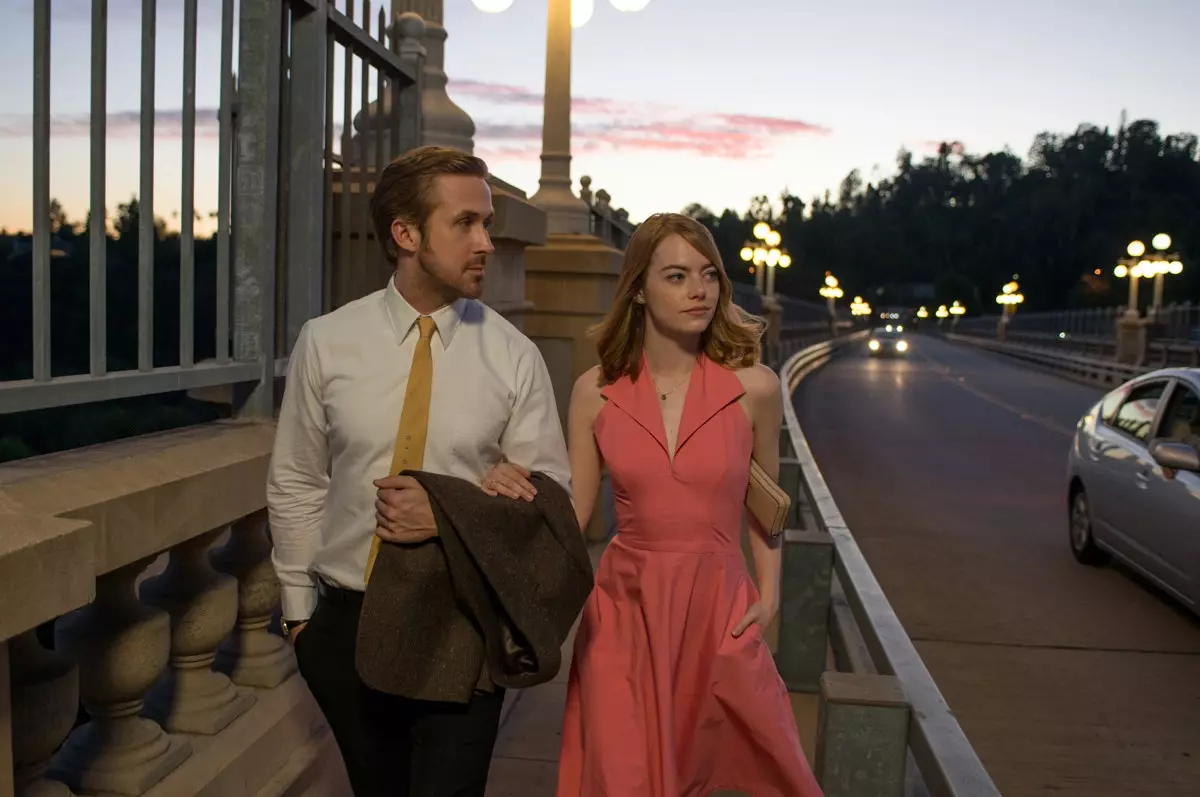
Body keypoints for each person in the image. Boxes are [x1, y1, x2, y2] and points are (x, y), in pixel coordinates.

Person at [266, 145, 571, 797]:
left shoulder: (514, 356)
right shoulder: (327, 341)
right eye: (465, 223)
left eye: (487, 222)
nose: (486, 241)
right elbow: (296, 479)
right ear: (405, 234)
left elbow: (553, 503)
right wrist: (300, 617)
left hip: (461, 621)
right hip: (346, 622)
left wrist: (450, 512)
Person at [486, 212, 823, 797]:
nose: (699, 290)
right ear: (639, 288)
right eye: (676, 276)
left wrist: (766, 599)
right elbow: (574, 516)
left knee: (747, 771)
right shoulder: (595, 391)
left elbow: (765, 508)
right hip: (624, 611)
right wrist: (509, 489)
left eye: (709, 274)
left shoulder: (756, 388)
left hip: (719, 609)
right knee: (622, 776)